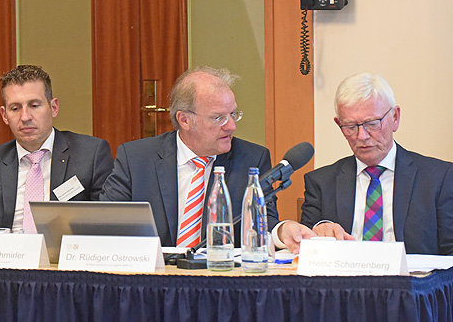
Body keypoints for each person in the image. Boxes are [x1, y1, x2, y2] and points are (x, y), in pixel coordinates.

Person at [275, 73, 453, 255]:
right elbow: (306, 248)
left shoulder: (439, 178)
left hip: (413, 273)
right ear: (339, 125)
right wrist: (319, 230)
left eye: (372, 123)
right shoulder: (321, 182)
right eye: (351, 127)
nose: (362, 136)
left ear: (395, 117)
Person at [100, 66, 278, 248]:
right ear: (184, 120)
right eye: (218, 118)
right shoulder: (136, 158)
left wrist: (281, 231)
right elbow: (107, 222)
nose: (231, 126)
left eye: (232, 114)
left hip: (220, 264)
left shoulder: (252, 160)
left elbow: (265, 222)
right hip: (154, 265)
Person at [0, 65, 114, 233]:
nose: (25, 117)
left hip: (64, 248)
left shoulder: (90, 154)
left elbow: (107, 219)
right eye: (15, 108)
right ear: (4, 115)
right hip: (9, 249)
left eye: (34, 105)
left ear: (54, 108)